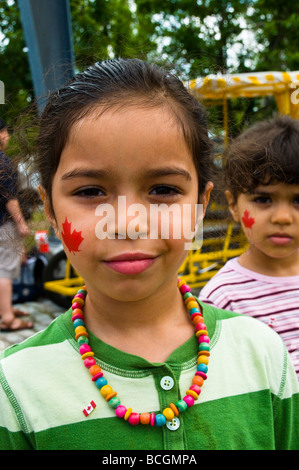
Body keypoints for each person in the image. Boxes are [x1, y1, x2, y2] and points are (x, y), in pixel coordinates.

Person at [0, 60, 298, 451]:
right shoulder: (16, 388)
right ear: (50, 211)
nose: (128, 222)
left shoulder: (262, 353)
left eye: (162, 189)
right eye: (91, 191)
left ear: (201, 204)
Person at [199, 115, 299, 380]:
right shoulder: (223, 299)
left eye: (298, 201)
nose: (283, 217)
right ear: (233, 204)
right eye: (264, 199)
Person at [0, 119, 33, 331]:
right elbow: (10, 198)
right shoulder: (2, 161)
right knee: (5, 270)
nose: (8, 136)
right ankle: (8, 319)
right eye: (5, 132)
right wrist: (21, 224)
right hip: (4, 224)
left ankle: (5, 308)